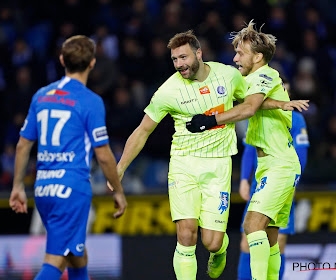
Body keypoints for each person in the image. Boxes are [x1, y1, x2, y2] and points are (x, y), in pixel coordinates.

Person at [109, 30, 302, 280]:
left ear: (199, 53)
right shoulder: (168, 91)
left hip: (218, 167)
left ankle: (219, 251)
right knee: (186, 233)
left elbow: (252, 101)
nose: (179, 64)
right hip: (183, 165)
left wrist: (280, 102)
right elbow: (142, 131)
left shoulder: (228, 75)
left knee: (211, 242)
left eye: (183, 57)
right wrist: (120, 167)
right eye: (175, 60)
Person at [186, 21, 309, 280]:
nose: (235, 58)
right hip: (271, 166)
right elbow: (257, 103)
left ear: (258, 57)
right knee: (271, 236)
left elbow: (250, 108)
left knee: (251, 226)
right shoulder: (255, 81)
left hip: (279, 164)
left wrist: (210, 121)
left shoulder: (264, 75)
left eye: (240, 53)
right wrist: (282, 103)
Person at [9, 35, 127, 280]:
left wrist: (18, 185)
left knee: (76, 255)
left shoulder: (40, 95)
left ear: (62, 60)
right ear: (92, 63)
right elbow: (103, 155)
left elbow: (23, 144)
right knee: (55, 262)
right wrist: (117, 190)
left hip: (43, 188)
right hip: (71, 190)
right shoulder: (91, 101)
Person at [237, 76, 310, 280]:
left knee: (277, 243)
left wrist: (293, 182)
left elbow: (301, 154)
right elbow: (250, 150)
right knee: (247, 242)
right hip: (259, 186)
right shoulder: (259, 116)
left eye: (285, 91)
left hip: (282, 185)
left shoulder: (296, 119)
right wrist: (244, 179)